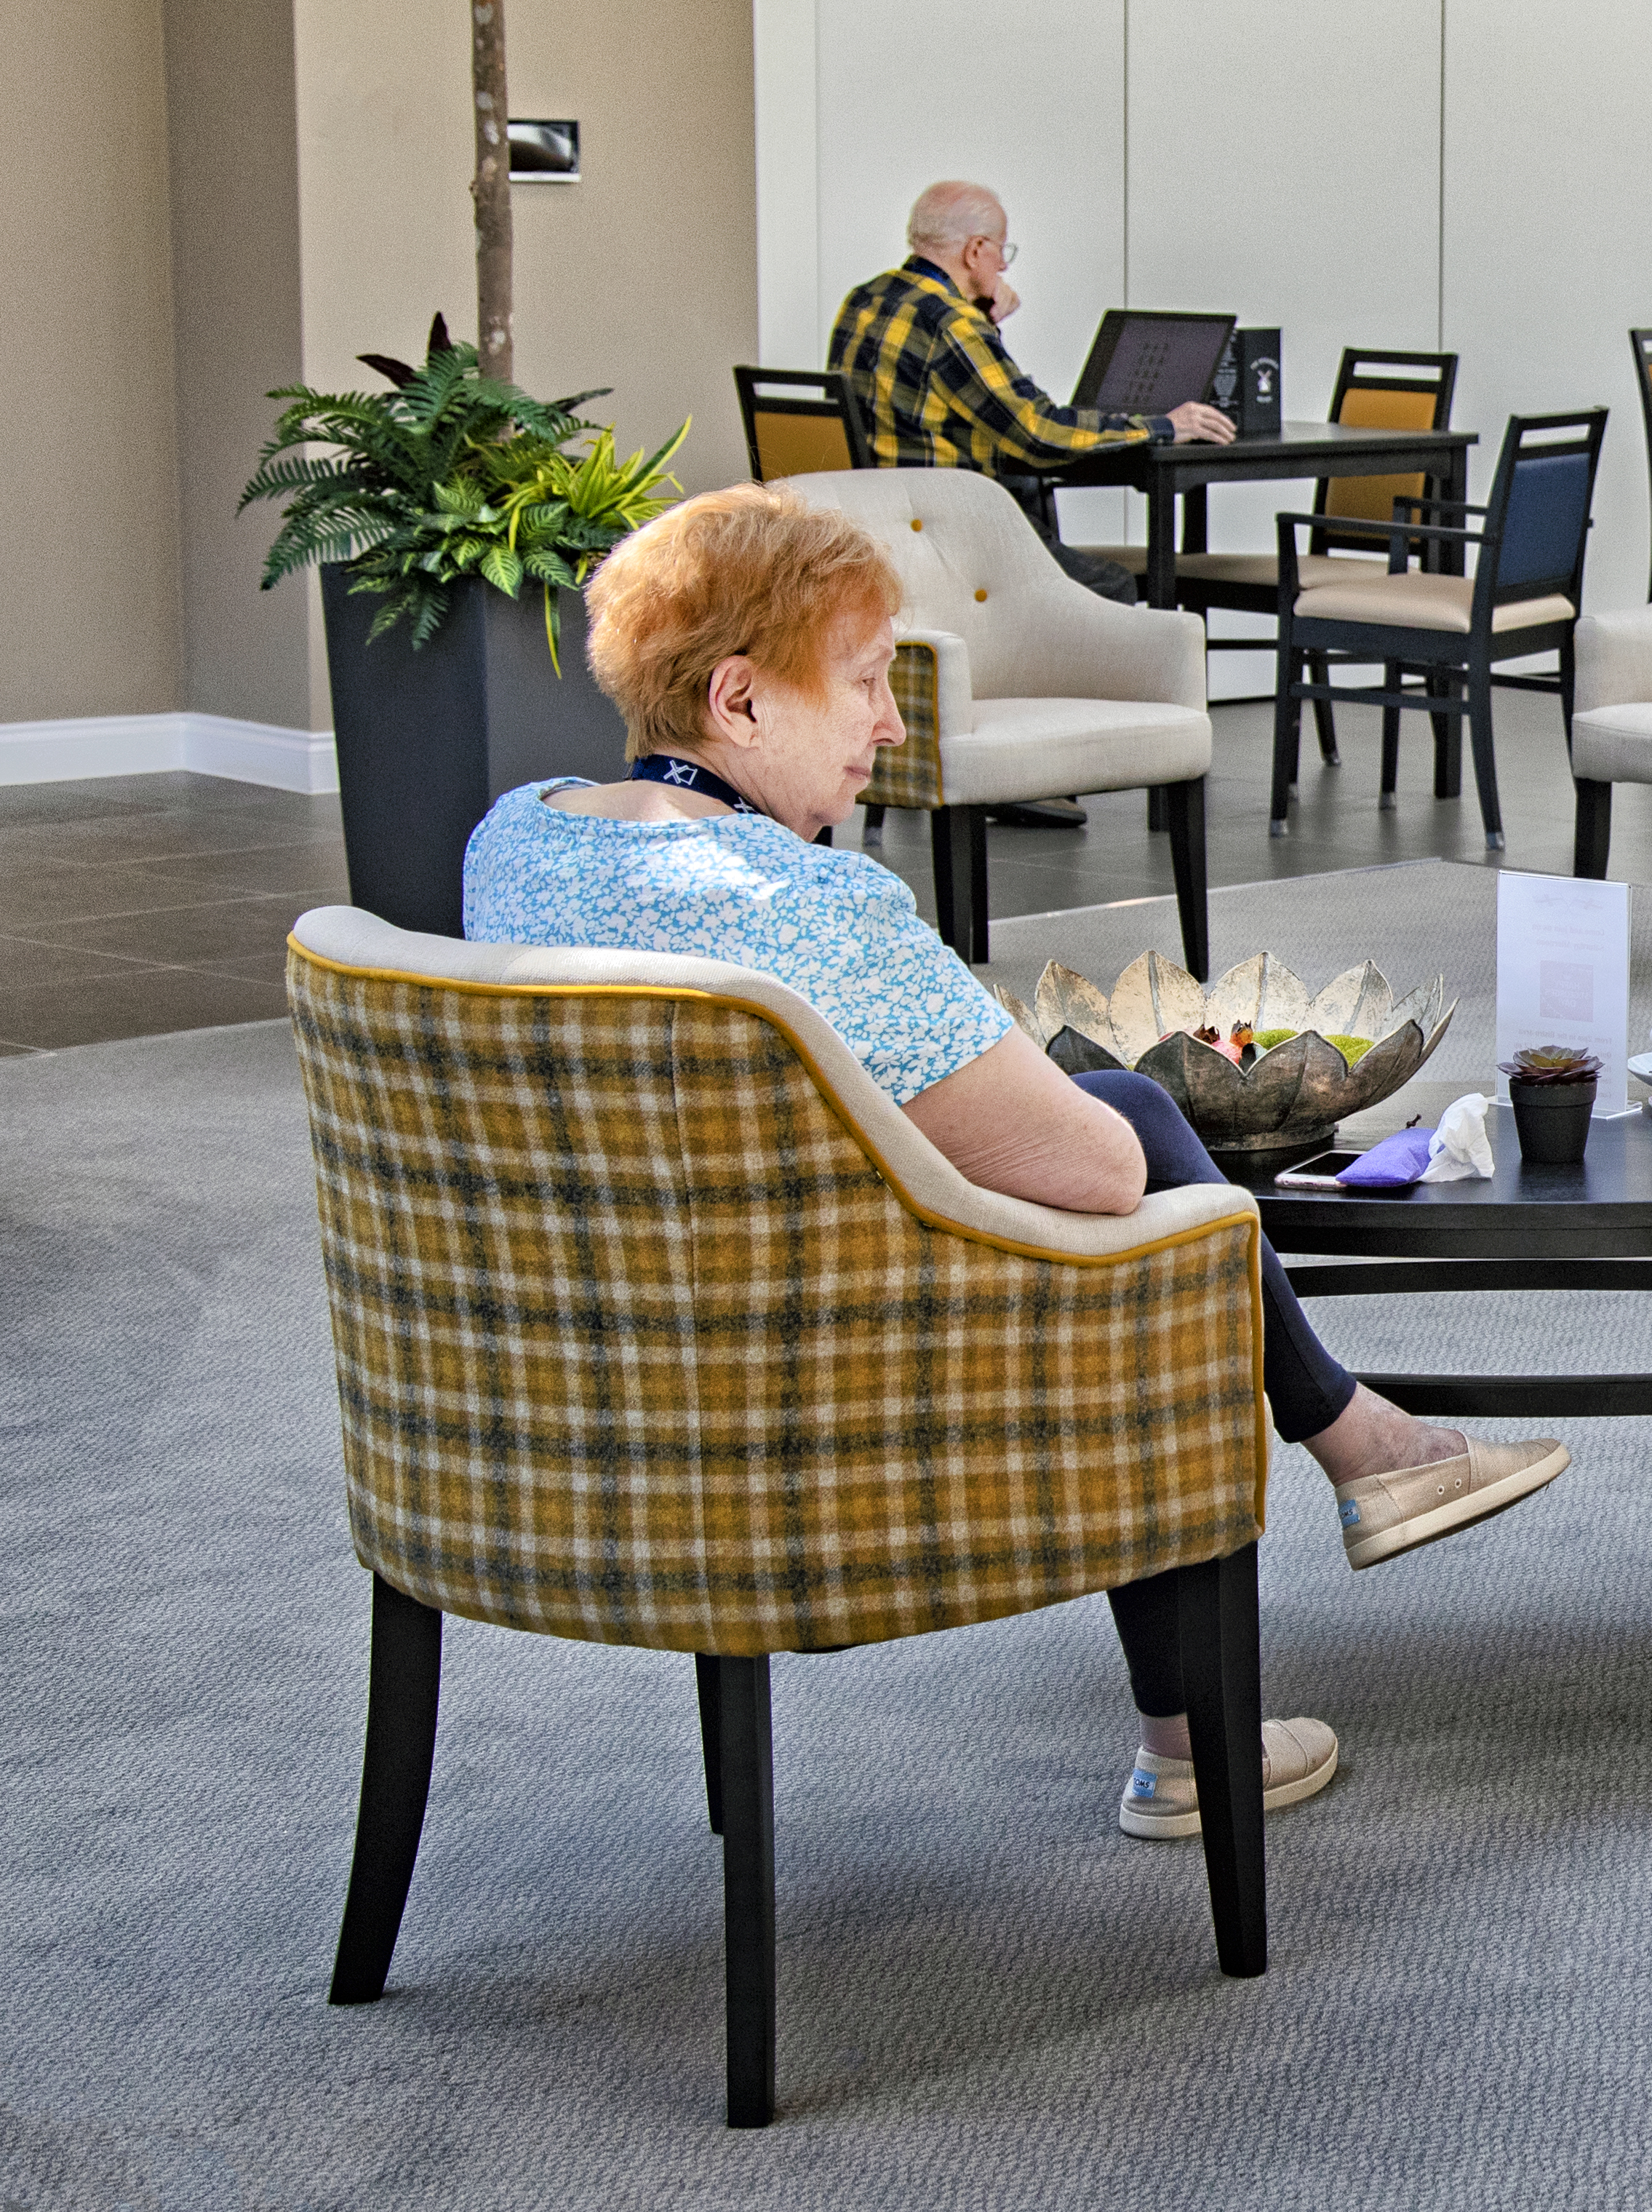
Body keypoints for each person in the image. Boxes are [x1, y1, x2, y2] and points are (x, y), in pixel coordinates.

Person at [460, 482, 1575, 1842]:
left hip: (570, 1383)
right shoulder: (812, 912)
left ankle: (1354, 1459)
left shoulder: (515, 837)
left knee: (1131, 1121)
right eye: (865, 684)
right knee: (1160, 1219)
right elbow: (1095, 1176)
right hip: (806, 1413)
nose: (890, 724)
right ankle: (1253, 1629)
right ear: (739, 701)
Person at [829, 180, 1236, 612]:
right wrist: (1165, 426)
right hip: (945, 539)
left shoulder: (865, 299)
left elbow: (948, 396)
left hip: (879, 527)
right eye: (1001, 250)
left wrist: (985, 317)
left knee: (1035, 514)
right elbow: (1038, 434)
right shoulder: (951, 323)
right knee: (1111, 588)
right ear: (975, 251)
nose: (1003, 266)